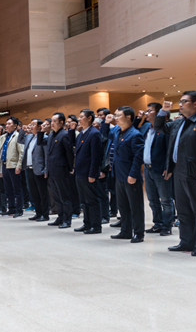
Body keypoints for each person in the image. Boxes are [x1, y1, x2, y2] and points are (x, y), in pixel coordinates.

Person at [154, 91, 196, 256]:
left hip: (195, 172)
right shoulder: (178, 122)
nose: (180, 104)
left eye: (184, 101)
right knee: (183, 209)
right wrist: (163, 111)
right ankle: (186, 241)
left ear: (195, 104)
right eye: (180, 102)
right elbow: (159, 127)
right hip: (179, 170)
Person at [106, 107, 145, 243]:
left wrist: (133, 174)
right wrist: (106, 123)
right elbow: (105, 134)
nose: (115, 118)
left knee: (135, 206)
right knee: (122, 206)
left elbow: (138, 157)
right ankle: (125, 231)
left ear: (128, 117)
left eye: (118, 115)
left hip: (130, 176)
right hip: (119, 175)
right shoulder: (117, 131)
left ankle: (139, 233)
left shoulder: (135, 134)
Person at [135, 103, 174, 236]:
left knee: (165, 200)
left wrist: (168, 167)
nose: (146, 113)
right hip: (147, 168)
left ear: (159, 114)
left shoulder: (165, 129)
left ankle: (167, 225)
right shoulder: (146, 127)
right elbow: (134, 129)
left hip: (160, 169)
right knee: (152, 200)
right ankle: (158, 223)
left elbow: (169, 149)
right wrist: (138, 118)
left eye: (149, 111)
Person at [73, 109, 103, 234]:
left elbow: (96, 157)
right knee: (84, 201)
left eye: (81, 117)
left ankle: (96, 226)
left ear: (89, 118)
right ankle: (87, 223)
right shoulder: (81, 133)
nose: (79, 119)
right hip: (80, 172)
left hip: (88, 173)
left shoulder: (94, 133)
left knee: (92, 200)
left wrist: (92, 174)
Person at [42, 112, 74, 228]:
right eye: (51, 121)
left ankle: (67, 220)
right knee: (57, 197)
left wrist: (70, 167)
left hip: (61, 170)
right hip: (52, 170)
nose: (52, 123)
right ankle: (60, 217)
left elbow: (69, 153)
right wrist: (41, 131)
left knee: (64, 197)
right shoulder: (51, 135)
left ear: (61, 122)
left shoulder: (64, 135)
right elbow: (41, 143)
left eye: (55, 121)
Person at [0, 117, 25, 217]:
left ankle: (19, 209)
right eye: (6, 124)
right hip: (4, 164)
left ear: (15, 126)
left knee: (17, 189)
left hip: (14, 165)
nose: (7, 126)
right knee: (8, 189)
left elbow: (21, 152)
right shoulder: (4, 136)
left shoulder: (18, 136)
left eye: (9, 124)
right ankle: (12, 208)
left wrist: (19, 166)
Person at [23, 119, 49, 222]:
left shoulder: (44, 138)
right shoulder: (29, 137)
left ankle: (45, 214)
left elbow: (46, 155)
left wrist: (46, 169)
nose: (31, 126)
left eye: (33, 124)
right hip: (29, 168)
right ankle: (38, 213)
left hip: (40, 169)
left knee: (42, 193)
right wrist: (23, 129)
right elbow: (20, 140)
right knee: (34, 193)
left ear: (39, 127)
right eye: (30, 124)